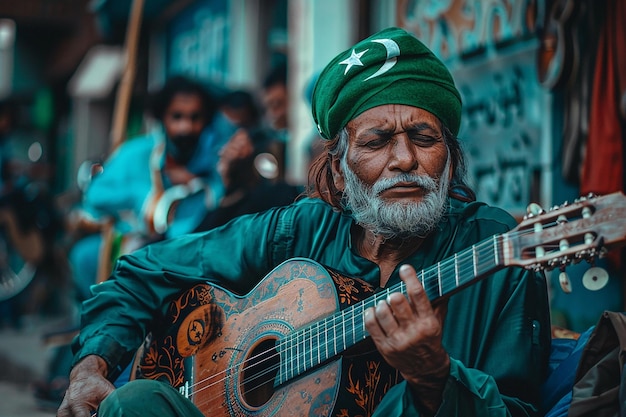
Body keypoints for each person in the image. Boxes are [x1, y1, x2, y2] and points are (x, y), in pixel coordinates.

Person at [58, 27, 551, 417]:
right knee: (133, 404)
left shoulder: (495, 245)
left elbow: (518, 410)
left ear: (449, 155)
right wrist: (89, 366)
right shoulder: (302, 229)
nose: (404, 159)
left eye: (424, 137)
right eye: (377, 141)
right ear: (339, 166)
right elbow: (141, 274)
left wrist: (434, 378)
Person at [67, 74, 231, 302]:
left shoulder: (214, 162)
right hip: (133, 251)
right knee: (85, 256)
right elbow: (95, 195)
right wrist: (145, 199)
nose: (186, 127)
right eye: (177, 117)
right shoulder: (136, 153)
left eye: (195, 118)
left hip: (189, 262)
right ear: (162, 117)